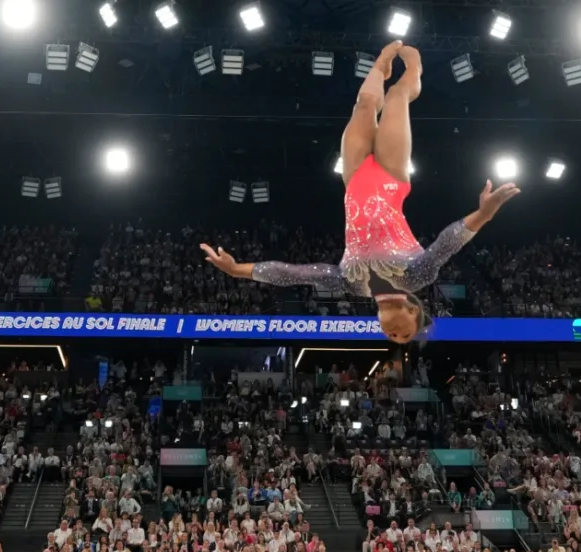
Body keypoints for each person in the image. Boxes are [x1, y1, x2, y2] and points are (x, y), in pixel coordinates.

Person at [200, 41, 520, 344]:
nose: (394, 336)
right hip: (393, 178)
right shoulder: (416, 278)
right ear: (413, 311)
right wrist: (484, 214)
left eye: (390, 338)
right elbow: (445, 244)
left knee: (365, 104)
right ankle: (414, 72)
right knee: (395, 97)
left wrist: (237, 270)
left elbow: (292, 274)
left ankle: (380, 66)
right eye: (404, 335)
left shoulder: (350, 284)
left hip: (354, 179)